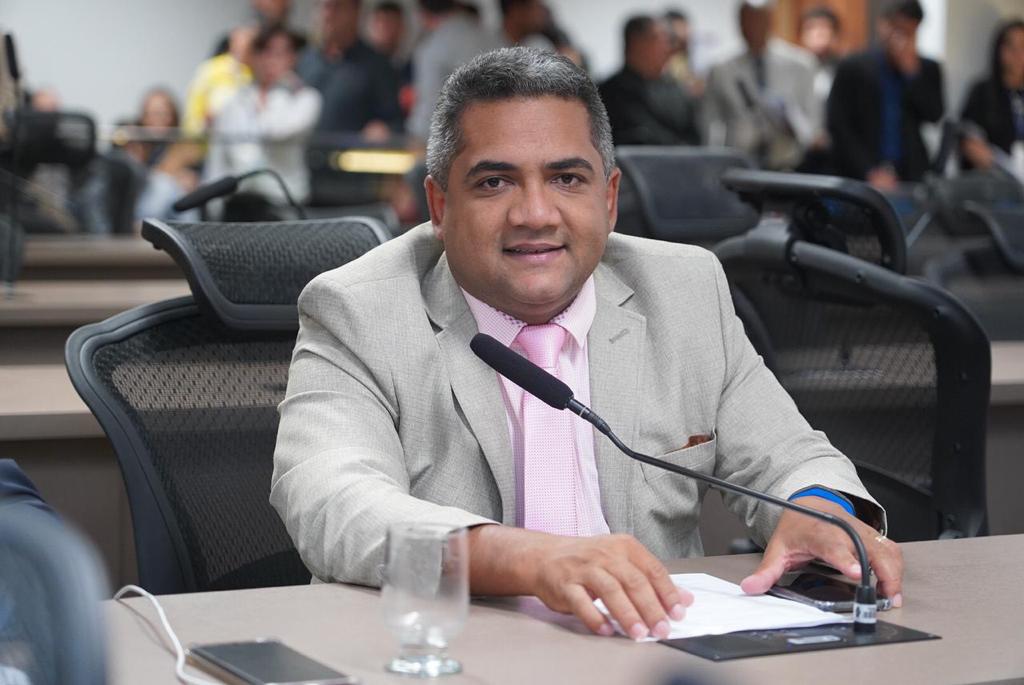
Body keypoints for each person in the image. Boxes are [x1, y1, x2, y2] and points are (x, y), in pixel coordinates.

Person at [271, 47, 903, 640]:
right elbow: (332, 499)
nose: (535, 213)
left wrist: (817, 508)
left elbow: (788, 456)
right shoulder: (359, 309)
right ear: (439, 205)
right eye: (494, 183)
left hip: (650, 652)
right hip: (448, 653)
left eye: (567, 179)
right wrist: (529, 559)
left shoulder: (684, 289)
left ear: (610, 197)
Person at [205, 25, 321, 218]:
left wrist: (281, 88)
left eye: (280, 53)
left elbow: (275, 131)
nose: (271, 60)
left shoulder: (305, 99)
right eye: (264, 51)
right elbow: (219, 157)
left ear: (294, 58)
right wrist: (213, 205)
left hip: (284, 202)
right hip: (237, 201)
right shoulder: (234, 99)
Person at [827, 0, 944, 190]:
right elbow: (838, 125)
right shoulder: (852, 67)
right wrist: (868, 170)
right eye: (897, 29)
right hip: (860, 175)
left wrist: (912, 75)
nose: (901, 39)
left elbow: (934, 114)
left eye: (908, 32)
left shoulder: (927, 68)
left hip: (910, 175)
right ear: (882, 24)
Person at [703, 1, 820, 170]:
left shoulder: (801, 65)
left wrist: (792, 124)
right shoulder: (721, 70)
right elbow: (710, 123)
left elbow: (812, 124)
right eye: (746, 21)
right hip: (739, 165)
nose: (752, 28)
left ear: (771, 21)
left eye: (758, 20)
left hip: (788, 165)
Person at [297, 0, 402, 143]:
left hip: (351, 154)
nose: (327, 14)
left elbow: (395, 123)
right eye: (321, 6)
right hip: (304, 155)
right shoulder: (305, 61)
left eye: (335, 7)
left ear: (355, 12)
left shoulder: (377, 66)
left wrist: (383, 130)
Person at [406, 0, 501, 145]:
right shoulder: (491, 38)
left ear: (423, 14)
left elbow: (429, 111)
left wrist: (415, 140)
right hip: (497, 136)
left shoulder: (433, 48)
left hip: (456, 144)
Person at [599, 15, 700, 146]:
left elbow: (695, 136)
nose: (667, 48)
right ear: (636, 43)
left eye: (667, 40)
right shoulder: (609, 93)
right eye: (658, 39)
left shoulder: (677, 91)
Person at [959, 19, 1024, 175]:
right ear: (1000, 50)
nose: (1017, 54)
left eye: (1023, 47)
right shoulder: (983, 92)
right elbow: (967, 137)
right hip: (995, 178)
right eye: (1011, 46)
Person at [183, 25, 257, 138]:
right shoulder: (210, 69)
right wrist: (203, 123)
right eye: (241, 42)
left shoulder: (260, 74)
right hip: (213, 139)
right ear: (232, 43)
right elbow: (193, 114)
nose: (244, 49)